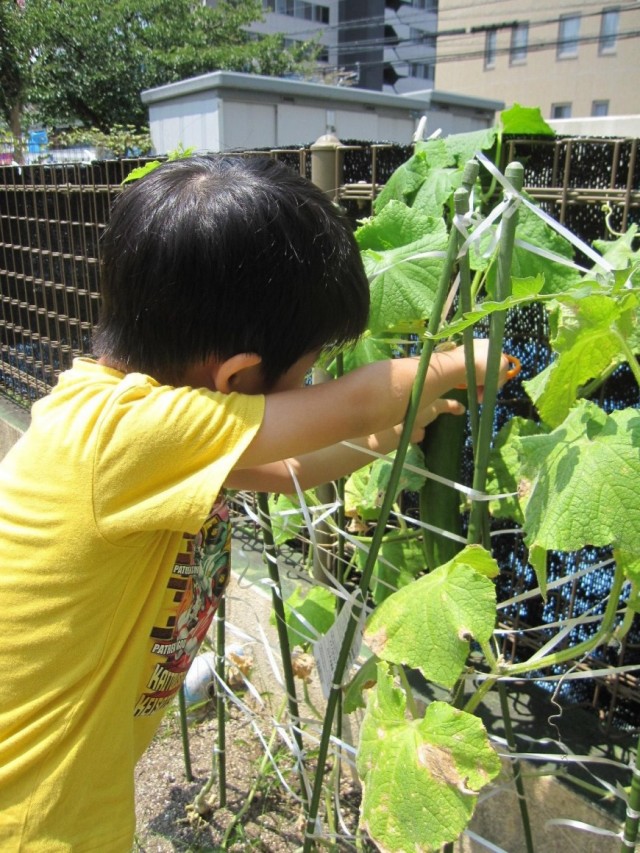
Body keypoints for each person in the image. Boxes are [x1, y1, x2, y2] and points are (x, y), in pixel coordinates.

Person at [0, 155, 510, 851]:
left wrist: (385, 438)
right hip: (34, 817)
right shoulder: (124, 435)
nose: (315, 391)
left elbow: (283, 467)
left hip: (70, 785)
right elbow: (358, 396)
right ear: (237, 377)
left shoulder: (139, 427)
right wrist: (449, 365)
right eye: (305, 379)